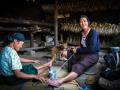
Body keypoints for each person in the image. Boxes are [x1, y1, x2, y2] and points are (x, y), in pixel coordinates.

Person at [46, 15, 100, 87]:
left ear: (88, 22)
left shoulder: (93, 32)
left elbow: (92, 49)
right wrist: (75, 48)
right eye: (81, 21)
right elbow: (82, 46)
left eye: (84, 21)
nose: (82, 23)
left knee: (78, 66)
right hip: (84, 53)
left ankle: (59, 81)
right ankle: (66, 68)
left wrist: (77, 50)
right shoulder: (82, 33)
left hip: (92, 55)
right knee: (67, 53)